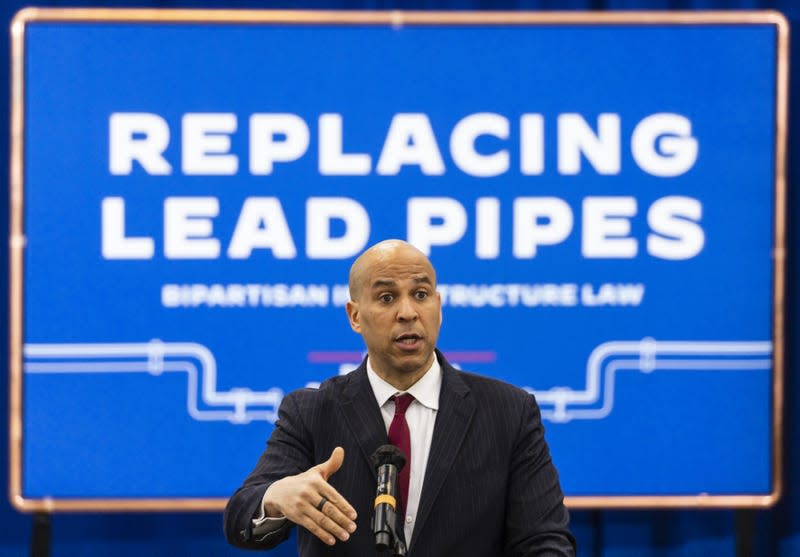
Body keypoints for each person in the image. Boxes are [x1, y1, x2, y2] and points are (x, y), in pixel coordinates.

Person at [224, 239, 576, 556]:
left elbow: (544, 542)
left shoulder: (508, 412)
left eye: (421, 294)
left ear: (438, 306)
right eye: (387, 297)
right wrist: (276, 499)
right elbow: (242, 515)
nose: (408, 312)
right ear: (355, 316)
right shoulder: (312, 411)